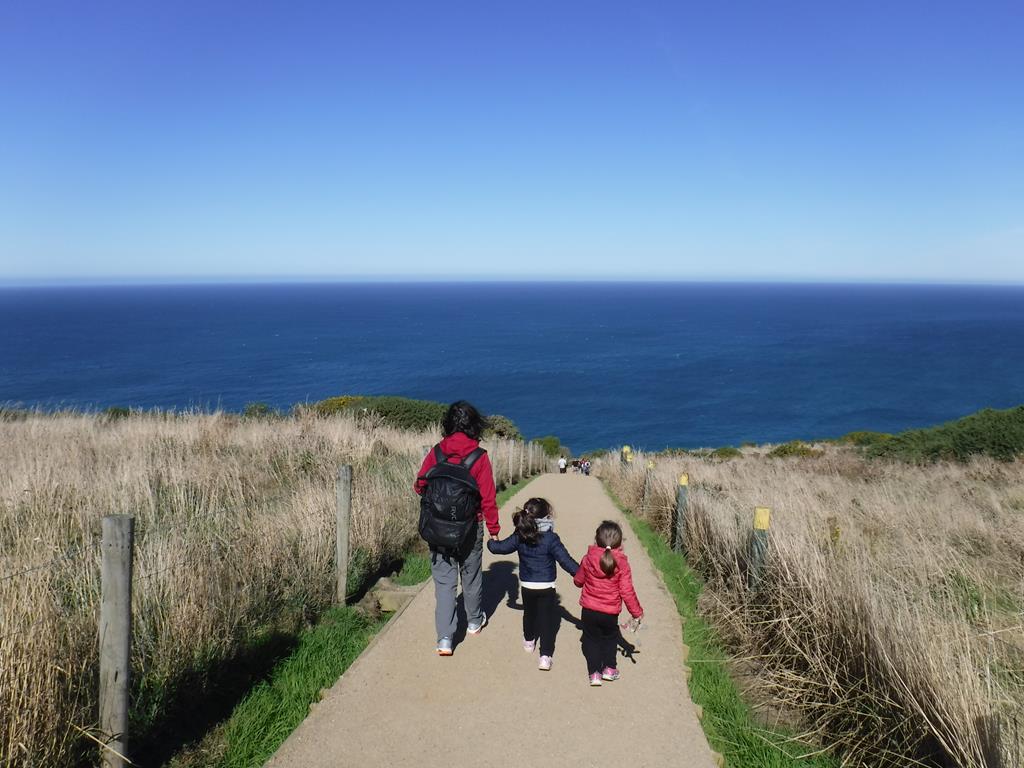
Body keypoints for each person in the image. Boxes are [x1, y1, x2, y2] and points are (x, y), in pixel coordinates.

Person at [415, 400, 499, 656]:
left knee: (444, 582)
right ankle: (474, 622)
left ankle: (444, 639)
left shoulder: (437, 452)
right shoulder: (479, 457)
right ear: (474, 425)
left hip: (438, 529)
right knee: (471, 576)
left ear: (448, 424)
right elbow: (488, 497)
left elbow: (420, 485)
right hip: (470, 527)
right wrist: (494, 527)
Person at [487, 497, 578, 670]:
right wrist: (583, 575)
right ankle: (545, 656)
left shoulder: (520, 535)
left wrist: (492, 542)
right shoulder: (551, 538)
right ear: (546, 516)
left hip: (527, 586)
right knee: (546, 621)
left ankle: (529, 641)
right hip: (546, 586)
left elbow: (500, 548)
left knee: (529, 614)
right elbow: (566, 561)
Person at [573, 520, 643, 686]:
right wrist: (636, 612)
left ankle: (594, 673)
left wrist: (581, 580)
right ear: (620, 543)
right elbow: (627, 591)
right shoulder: (622, 563)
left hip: (589, 610)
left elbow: (578, 581)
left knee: (591, 640)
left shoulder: (588, 558)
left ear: (596, 540)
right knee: (610, 639)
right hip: (610, 613)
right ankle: (610, 669)